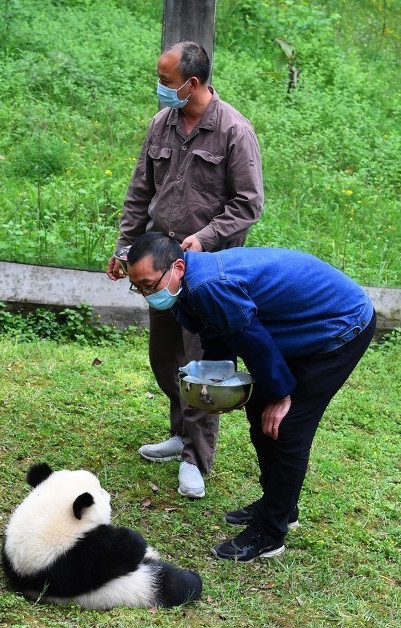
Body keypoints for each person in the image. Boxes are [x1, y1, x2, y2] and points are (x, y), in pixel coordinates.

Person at [125, 232, 376, 562]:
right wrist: (220, 382)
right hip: (297, 328)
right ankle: (280, 505)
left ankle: (270, 533)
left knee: (286, 427)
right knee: (259, 413)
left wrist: (283, 395)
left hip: (340, 326)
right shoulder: (185, 287)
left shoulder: (206, 285)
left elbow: (252, 338)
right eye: (138, 287)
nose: (146, 295)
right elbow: (218, 331)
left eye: (148, 284)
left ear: (178, 267)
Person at [106, 40, 263, 500]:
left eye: (166, 81)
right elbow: (139, 194)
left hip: (206, 269)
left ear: (192, 84)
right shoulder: (161, 124)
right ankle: (180, 432)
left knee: (203, 365)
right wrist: (124, 249)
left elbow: (248, 204)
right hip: (157, 263)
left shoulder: (234, 131)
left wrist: (205, 238)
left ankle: (196, 457)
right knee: (165, 358)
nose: (159, 88)